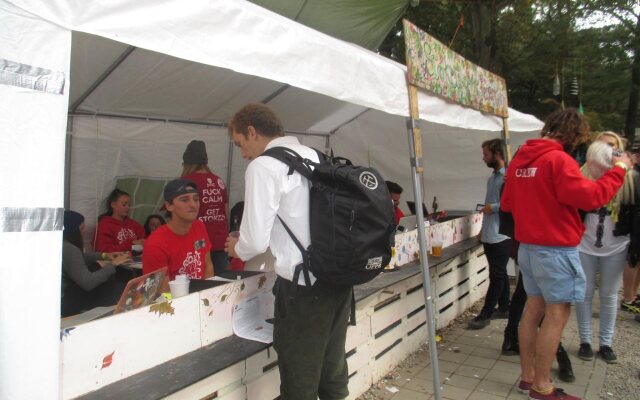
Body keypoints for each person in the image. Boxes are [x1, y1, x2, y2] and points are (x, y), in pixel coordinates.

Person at [224, 103, 352, 400]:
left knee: (299, 382)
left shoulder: (263, 166)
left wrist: (236, 246)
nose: (242, 153)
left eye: (240, 144)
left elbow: (254, 241)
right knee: (332, 374)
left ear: (252, 132)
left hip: (303, 290)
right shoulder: (316, 156)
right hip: (337, 278)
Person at [501, 108, 630, 400]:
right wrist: (620, 170)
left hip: (529, 249)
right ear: (574, 134)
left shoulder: (520, 159)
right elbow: (592, 197)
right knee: (557, 314)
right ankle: (542, 387)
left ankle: (528, 378)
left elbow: (507, 202)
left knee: (532, 310)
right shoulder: (559, 159)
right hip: (555, 250)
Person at [575, 133, 635, 364]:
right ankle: (585, 341)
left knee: (609, 295)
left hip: (616, 245)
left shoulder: (630, 178)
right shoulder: (583, 172)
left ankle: (606, 343)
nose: (608, 149)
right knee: (584, 292)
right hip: (585, 243)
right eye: (603, 145)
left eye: (612, 145)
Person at [468, 139, 512, 329]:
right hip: (490, 233)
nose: (483, 158)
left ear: (497, 154)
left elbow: (513, 203)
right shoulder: (492, 179)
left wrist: (492, 208)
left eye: (486, 154)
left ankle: (485, 313)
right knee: (499, 273)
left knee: (497, 275)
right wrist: (482, 231)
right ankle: (504, 307)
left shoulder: (508, 177)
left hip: (502, 235)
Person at [143, 179, 214, 280]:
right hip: (174, 295)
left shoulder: (199, 226)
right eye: (184, 200)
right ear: (169, 206)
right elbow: (163, 292)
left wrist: (208, 293)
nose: (193, 205)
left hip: (202, 293)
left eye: (196, 199)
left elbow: (208, 266)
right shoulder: (155, 244)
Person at [62, 210, 130, 317]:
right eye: (81, 229)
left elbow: (81, 256)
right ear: (72, 231)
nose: (83, 232)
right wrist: (111, 265)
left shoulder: (63, 244)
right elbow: (88, 282)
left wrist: (104, 255)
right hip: (68, 303)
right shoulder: (69, 249)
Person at [181, 140, 230, 273]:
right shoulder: (218, 180)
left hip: (198, 240)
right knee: (219, 282)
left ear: (186, 163)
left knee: (198, 282)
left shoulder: (186, 181)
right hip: (221, 240)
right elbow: (226, 212)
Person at [94, 188, 146, 252]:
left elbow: (144, 241)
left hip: (136, 260)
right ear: (113, 205)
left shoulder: (134, 224)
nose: (127, 207)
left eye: (129, 205)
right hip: (114, 261)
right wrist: (132, 244)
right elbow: (103, 250)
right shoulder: (104, 225)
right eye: (124, 205)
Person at [622, 144, 640, 314]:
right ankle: (628, 297)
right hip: (634, 224)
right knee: (632, 259)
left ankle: (633, 295)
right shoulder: (633, 175)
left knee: (637, 260)